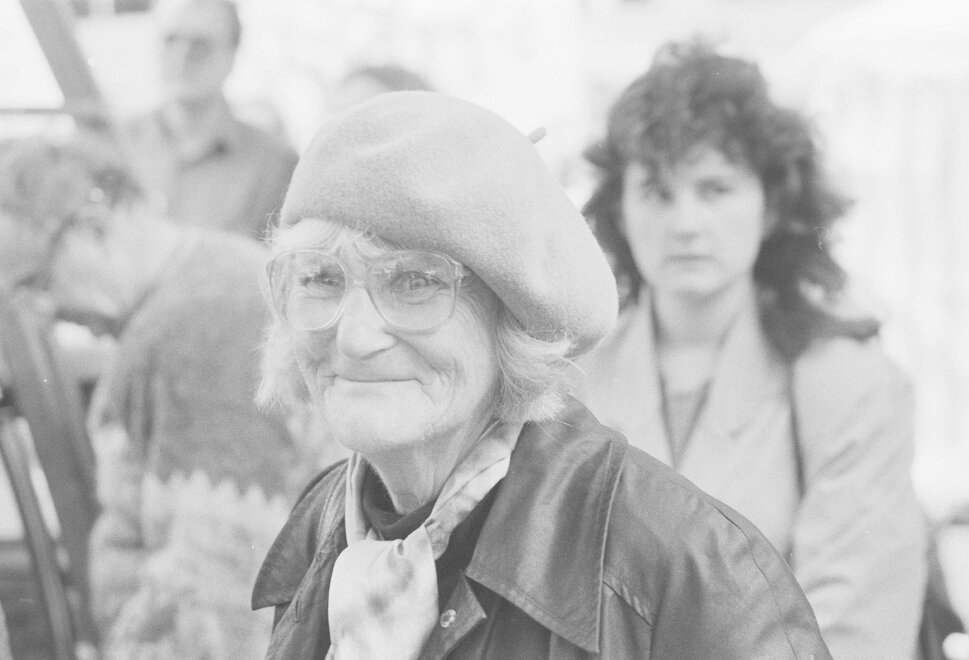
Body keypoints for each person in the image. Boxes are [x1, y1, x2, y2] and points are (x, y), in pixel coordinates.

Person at [250, 90, 832, 659]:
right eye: (320, 278)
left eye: (414, 282)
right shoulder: (324, 523)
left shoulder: (688, 569)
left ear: (514, 318)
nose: (353, 337)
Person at [574, 40, 927, 659]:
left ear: (771, 207)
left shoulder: (851, 384)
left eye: (715, 188)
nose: (686, 222)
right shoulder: (565, 382)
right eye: (657, 191)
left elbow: (854, 633)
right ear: (620, 211)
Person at [0, 134, 304, 658]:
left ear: (94, 232)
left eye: (38, 283)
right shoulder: (215, 272)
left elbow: (220, 596)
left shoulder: (190, 327)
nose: (45, 311)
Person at [119, 0, 298, 240]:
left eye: (200, 45)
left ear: (231, 56)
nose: (181, 57)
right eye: (171, 40)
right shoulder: (115, 145)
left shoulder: (274, 165)